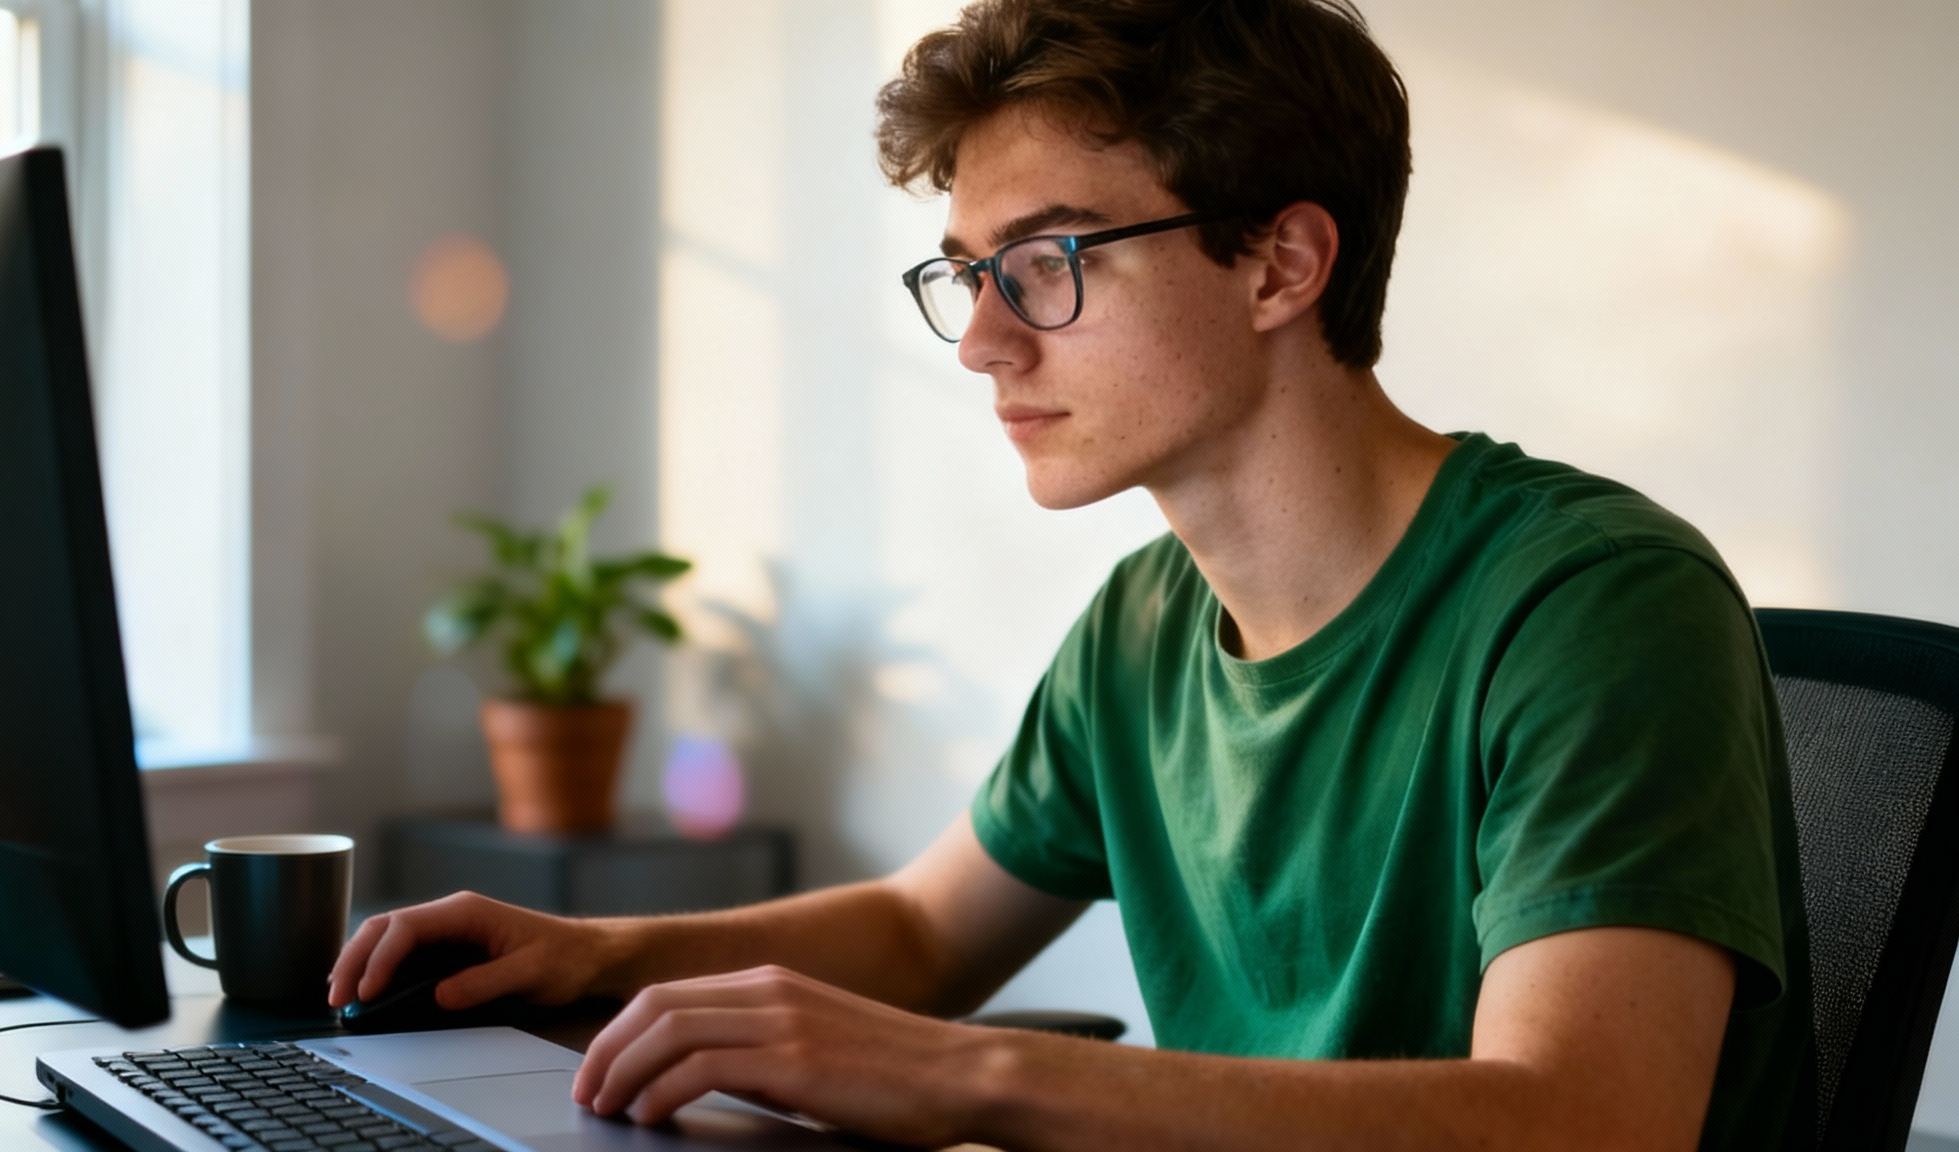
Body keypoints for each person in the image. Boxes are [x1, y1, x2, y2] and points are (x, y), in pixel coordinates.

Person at [329, 2, 1812, 1148]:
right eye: (966, 274)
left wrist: (973, 1077)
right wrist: (588, 955)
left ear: (1281, 266)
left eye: (1046, 262)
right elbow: (922, 931)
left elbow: (1583, 1124)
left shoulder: (1595, 605)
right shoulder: (1148, 623)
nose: (981, 340)